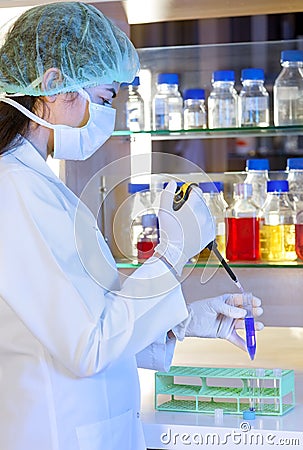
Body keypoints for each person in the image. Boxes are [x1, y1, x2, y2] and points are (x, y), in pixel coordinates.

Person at [0, 3, 263, 450]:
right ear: (52, 84)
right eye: (104, 99)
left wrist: (182, 323)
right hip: (57, 434)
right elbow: (88, 346)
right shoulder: (15, 188)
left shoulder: (36, 184)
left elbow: (77, 324)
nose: (109, 117)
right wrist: (173, 250)